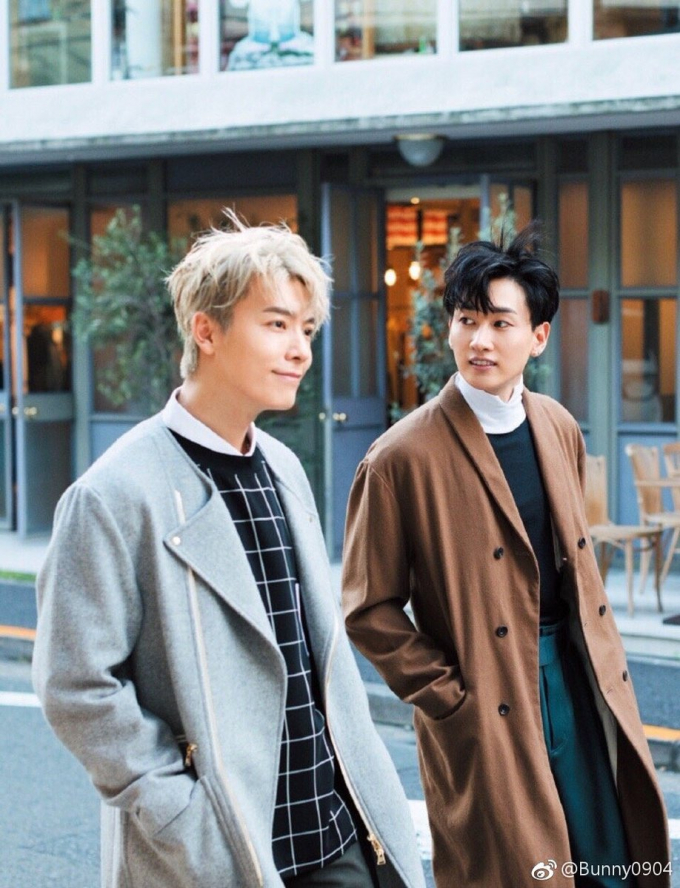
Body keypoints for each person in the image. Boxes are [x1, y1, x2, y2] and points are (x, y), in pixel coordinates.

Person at [33, 213, 425, 888]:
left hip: (336, 838)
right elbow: (76, 685)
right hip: (219, 855)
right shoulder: (114, 493)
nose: (300, 350)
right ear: (206, 331)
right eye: (276, 324)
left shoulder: (284, 468)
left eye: (307, 330)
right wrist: (180, 816)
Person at [342, 225, 671, 888]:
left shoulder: (557, 426)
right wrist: (447, 695)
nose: (480, 340)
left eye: (499, 323)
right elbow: (367, 607)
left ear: (538, 336)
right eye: (466, 321)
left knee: (606, 858)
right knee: (516, 868)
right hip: (484, 695)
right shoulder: (400, 457)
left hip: (574, 677)